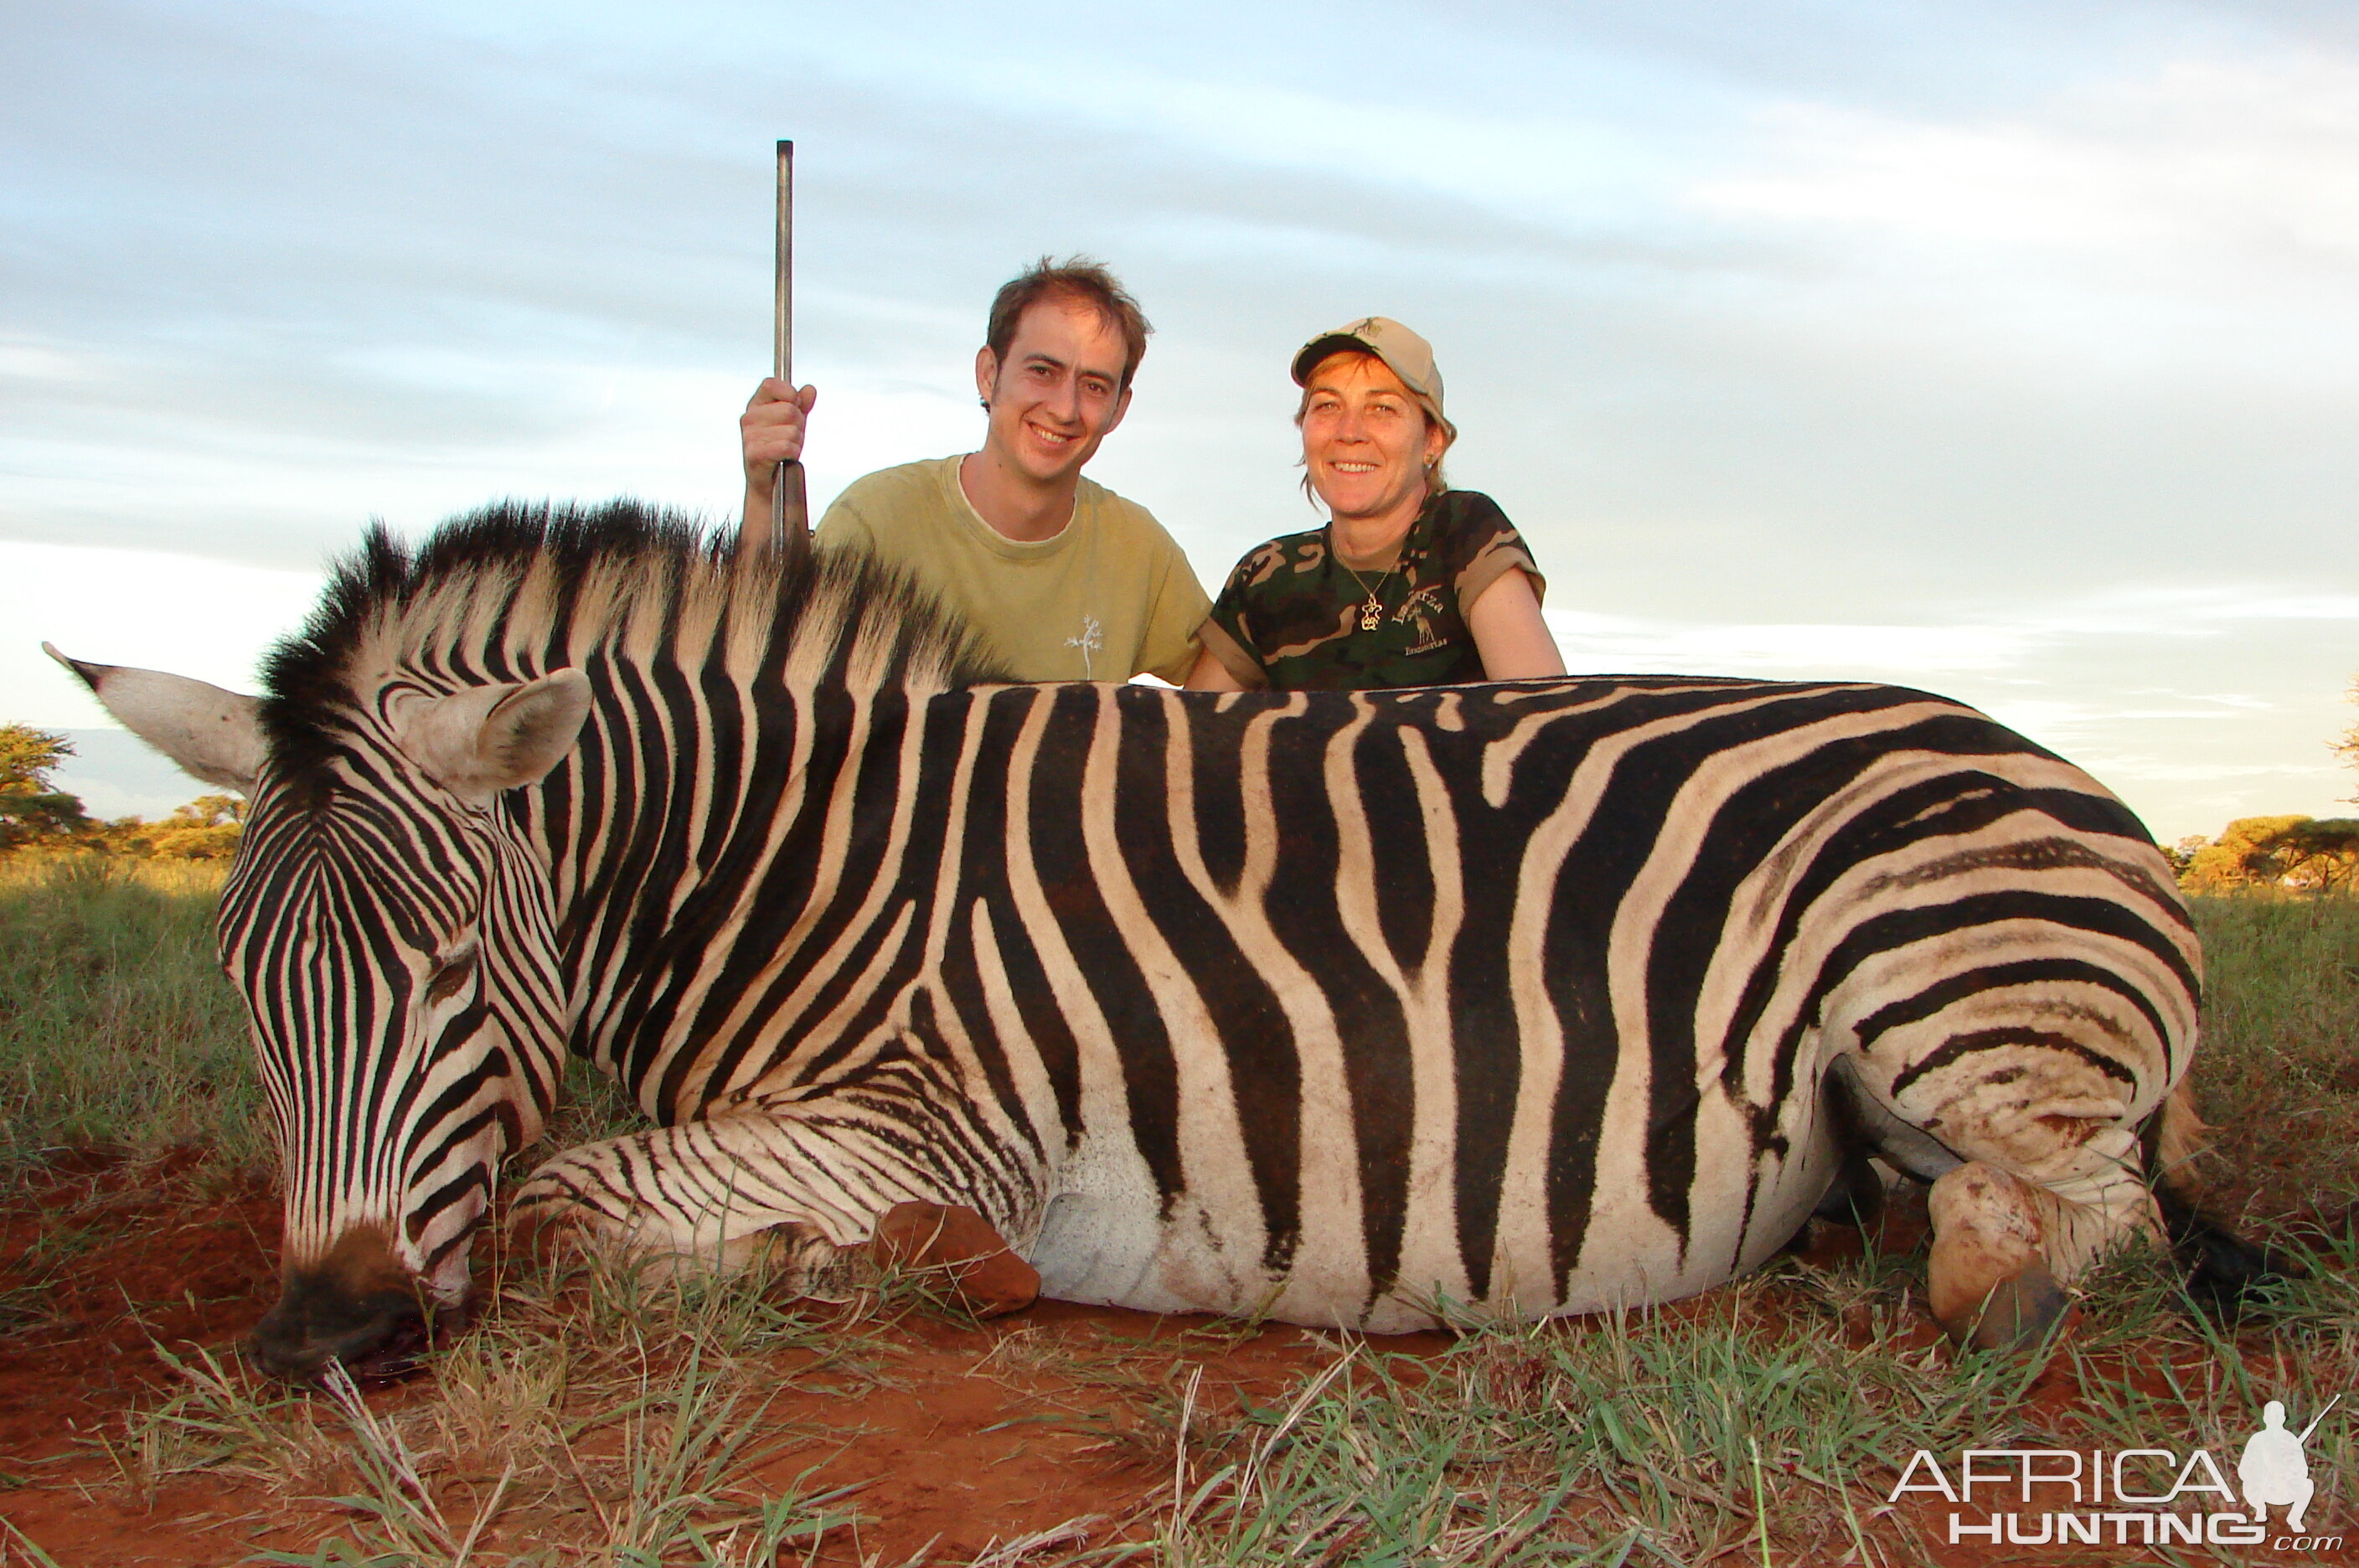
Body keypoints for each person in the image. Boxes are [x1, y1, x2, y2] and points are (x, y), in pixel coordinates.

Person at [740, 258, 1210, 683]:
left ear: (1119, 408)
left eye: (1093, 385)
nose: (1065, 409)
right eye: (1042, 371)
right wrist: (763, 494)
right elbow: (769, 657)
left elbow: (1229, 678)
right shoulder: (876, 517)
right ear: (989, 373)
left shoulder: (1140, 548)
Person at [1185, 317, 1564, 692]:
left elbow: (1543, 713)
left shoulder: (1463, 531)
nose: (1349, 432)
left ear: (1433, 440)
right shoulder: (1267, 574)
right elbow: (1191, 732)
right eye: (1328, 406)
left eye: (1382, 408)